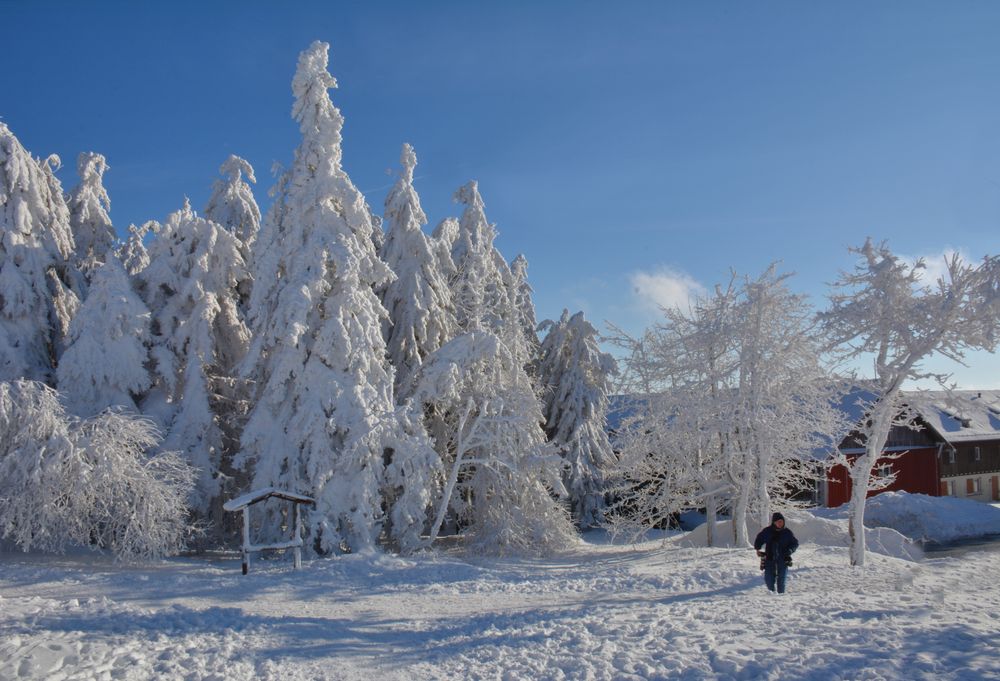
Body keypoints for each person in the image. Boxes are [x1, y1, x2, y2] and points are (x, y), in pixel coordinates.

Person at [753, 512, 799, 594]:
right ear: (774, 522)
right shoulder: (767, 531)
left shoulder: (787, 532)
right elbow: (759, 539)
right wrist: (757, 548)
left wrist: (790, 550)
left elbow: (795, 543)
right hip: (770, 559)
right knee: (768, 579)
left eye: (781, 521)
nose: (780, 523)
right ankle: (772, 594)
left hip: (783, 559)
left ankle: (781, 597)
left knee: (781, 580)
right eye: (778, 522)